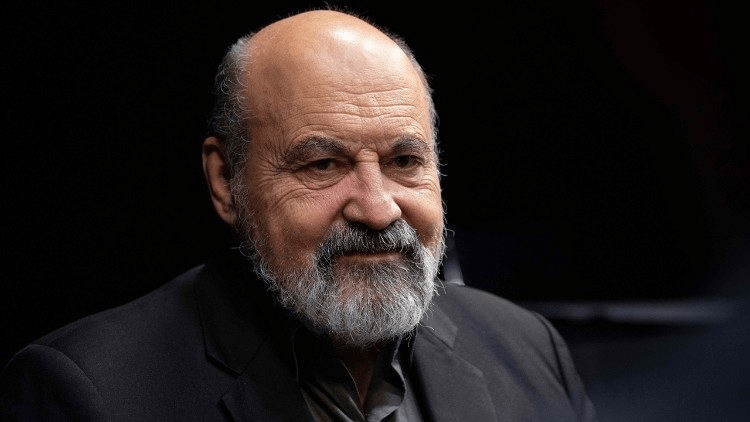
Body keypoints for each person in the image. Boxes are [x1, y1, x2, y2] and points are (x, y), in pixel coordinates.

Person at [0, 9, 596, 421]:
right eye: (322, 165)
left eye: (404, 161)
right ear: (226, 181)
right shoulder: (90, 393)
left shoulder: (528, 351)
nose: (377, 208)